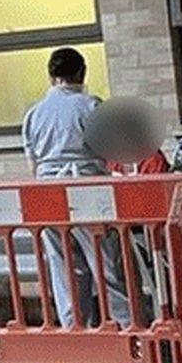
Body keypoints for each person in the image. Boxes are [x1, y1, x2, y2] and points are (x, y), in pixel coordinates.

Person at [22, 48, 131, 330]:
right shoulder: (91, 106)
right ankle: (130, 336)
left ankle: (79, 340)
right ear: (82, 73)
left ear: (50, 77)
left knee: (66, 273)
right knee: (108, 269)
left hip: (46, 195)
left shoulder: (33, 114)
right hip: (87, 193)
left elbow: (33, 163)